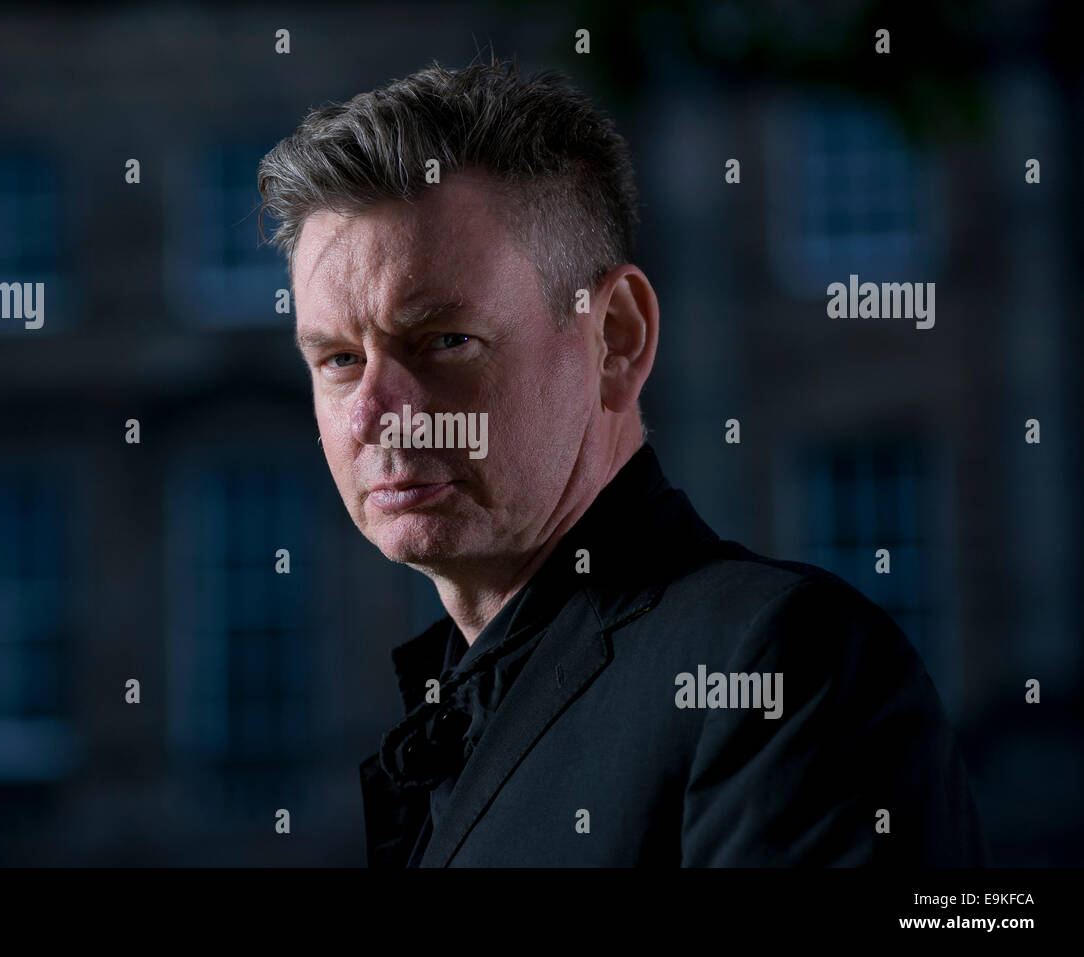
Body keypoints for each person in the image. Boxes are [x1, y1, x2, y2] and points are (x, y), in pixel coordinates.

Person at [256, 58, 987, 866]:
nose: (369, 415)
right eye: (337, 360)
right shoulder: (461, 721)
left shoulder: (788, 667)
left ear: (617, 340)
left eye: (443, 341)